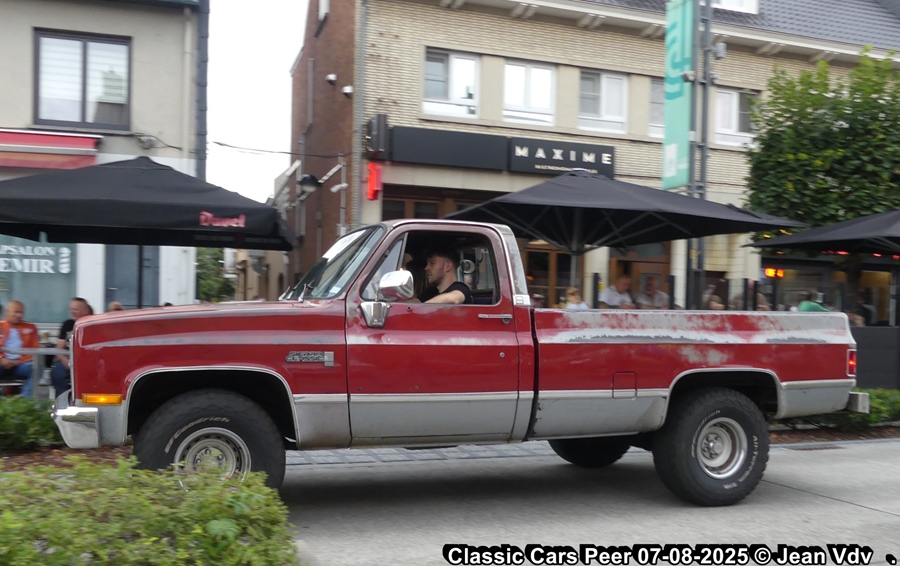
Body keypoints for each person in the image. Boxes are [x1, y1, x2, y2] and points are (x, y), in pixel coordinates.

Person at [50, 297, 92, 394]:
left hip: (86, 362)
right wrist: (66, 361)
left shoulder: (92, 325)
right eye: (72, 309)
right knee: (57, 373)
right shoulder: (67, 325)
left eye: (76, 309)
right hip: (67, 361)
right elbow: (58, 349)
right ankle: (63, 400)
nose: (73, 312)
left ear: (85, 310)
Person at [0, 301, 40, 396]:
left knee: (38, 367)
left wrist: (16, 362)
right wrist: (1, 359)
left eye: (21, 312)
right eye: (16, 312)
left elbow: (35, 351)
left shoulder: (31, 328)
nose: (19, 315)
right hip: (1, 363)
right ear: (7, 311)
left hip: (21, 365)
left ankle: (24, 399)